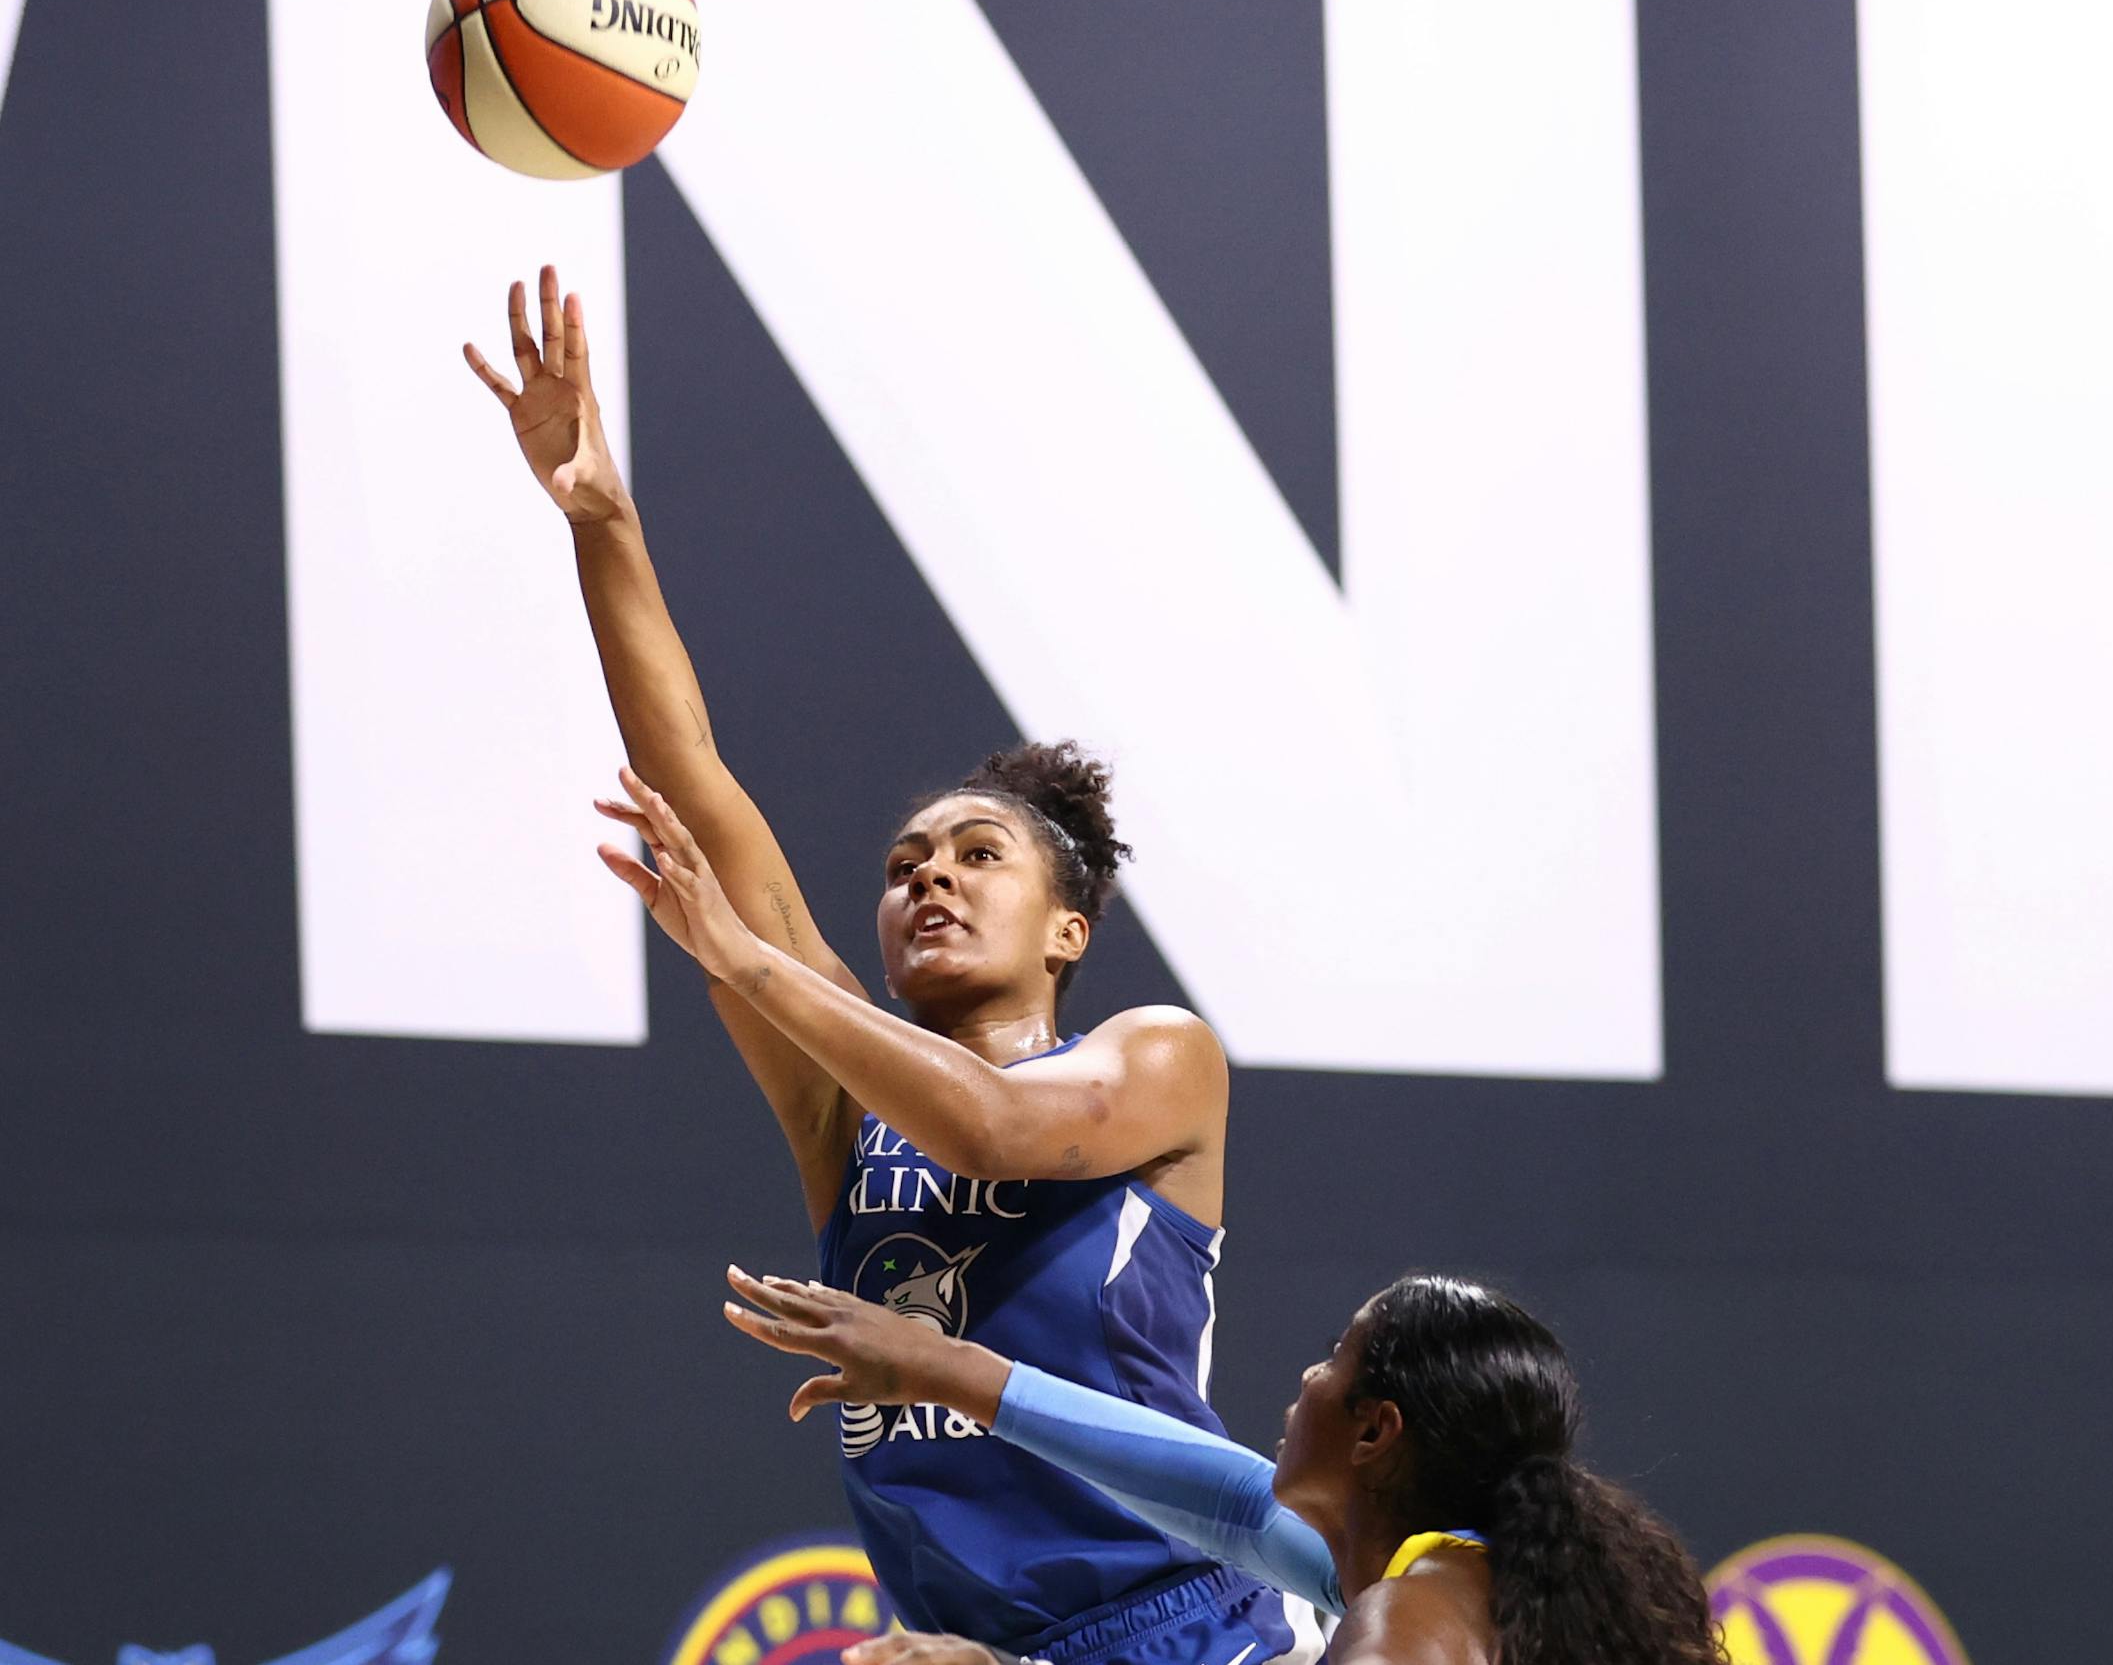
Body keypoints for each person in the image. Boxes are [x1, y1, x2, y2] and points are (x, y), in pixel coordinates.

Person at [464, 270, 1308, 1665]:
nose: (927, 872)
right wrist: (599, 515)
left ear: (1067, 928)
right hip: (958, 1647)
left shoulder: (1159, 1060)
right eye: (907, 858)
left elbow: (995, 1126)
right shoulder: (846, 1103)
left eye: (978, 853)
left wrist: (746, 958)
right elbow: (695, 774)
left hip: (1186, 1632)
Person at [723, 1267, 1730, 1665]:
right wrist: (951, 1371)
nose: (1305, 1376)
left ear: (1376, 1433)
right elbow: (1228, 1499)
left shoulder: (1406, 1621)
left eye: (1334, 1359)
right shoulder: (1439, 1576)